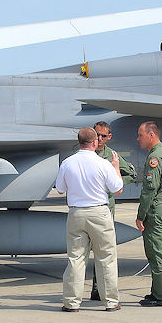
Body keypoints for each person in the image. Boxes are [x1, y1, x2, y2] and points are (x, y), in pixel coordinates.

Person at [55, 127, 125, 312]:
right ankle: (110, 302)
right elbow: (118, 189)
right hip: (99, 213)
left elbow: (60, 189)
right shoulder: (103, 164)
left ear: (79, 142)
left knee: (75, 258)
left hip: (76, 213)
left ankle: (71, 303)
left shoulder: (68, 163)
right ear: (95, 142)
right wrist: (116, 167)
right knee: (106, 258)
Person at [88, 121, 136, 301]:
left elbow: (130, 174)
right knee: (84, 251)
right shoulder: (85, 154)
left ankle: (98, 289)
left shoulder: (111, 156)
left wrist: (112, 186)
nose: (99, 139)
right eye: (96, 134)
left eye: (103, 136)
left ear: (109, 137)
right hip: (87, 207)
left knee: (104, 250)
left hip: (106, 207)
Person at [135, 121, 162, 307]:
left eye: (140, 135)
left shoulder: (155, 158)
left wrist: (141, 215)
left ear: (151, 135)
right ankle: (157, 291)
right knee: (157, 249)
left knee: (156, 252)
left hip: (155, 208)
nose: (138, 139)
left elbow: (150, 189)